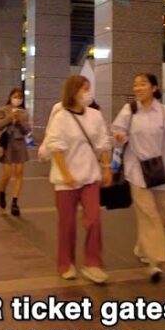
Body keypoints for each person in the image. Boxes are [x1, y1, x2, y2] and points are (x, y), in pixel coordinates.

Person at [112, 73, 165, 283]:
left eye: (143, 84)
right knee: (149, 214)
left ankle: (142, 248)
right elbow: (117, 131)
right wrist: (119, 137)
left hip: (158, 171)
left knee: (155, 214)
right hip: (136, 170)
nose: (138, 88)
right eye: (135, 84)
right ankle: (156, 261)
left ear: (154, 88)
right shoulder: (129, 110)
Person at [44, 76, 112, 284]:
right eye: (84, 89)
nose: (87, 93)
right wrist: (66, 175)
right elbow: (55, 148)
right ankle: (66, 263)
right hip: (66, 181)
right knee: (67, 224)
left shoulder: (95, 115)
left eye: (88, 89)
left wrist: (107, 168)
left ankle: (93, 264)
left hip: (90, 176)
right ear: (73, 91)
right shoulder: (61, 116)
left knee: (94, 220)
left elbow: (103, 143)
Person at [0, 87, 31, 216]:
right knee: (7, 174)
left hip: (20, 143)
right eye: (15, 96)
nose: (17, 99)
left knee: (19, 173)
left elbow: (27, 130)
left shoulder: (24, 113)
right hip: (7, 143)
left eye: (20, 97)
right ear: (10, 97)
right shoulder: (3, 110)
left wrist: (19, 120)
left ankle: (15, 202)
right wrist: (10, 118)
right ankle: (2, 192)